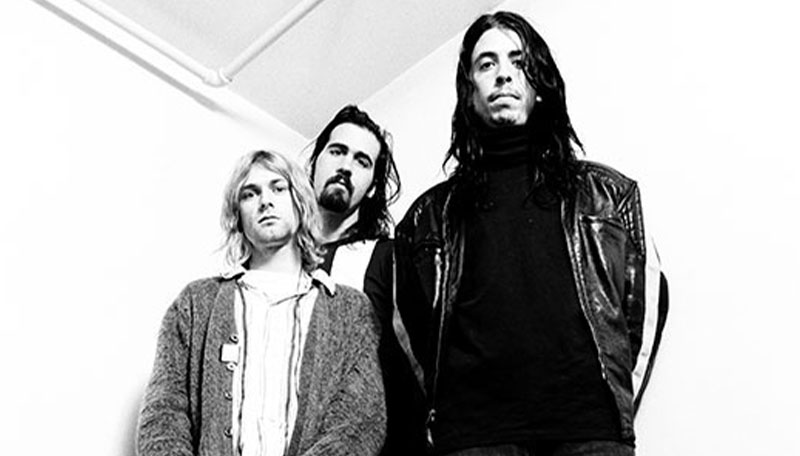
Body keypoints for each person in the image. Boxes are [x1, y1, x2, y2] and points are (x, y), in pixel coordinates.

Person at [382, 11, 669, 456]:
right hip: (473, 437)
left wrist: (615, 403)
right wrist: (446, 410)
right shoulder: (427, 217)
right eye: (487, 64)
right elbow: (413, 334)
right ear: (469, 91)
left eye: (518, 61)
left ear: (539, 84)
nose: (503, 74)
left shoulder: (610, 195)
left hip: (590, 431)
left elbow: (643, 310)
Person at [136, 150, 386, 456]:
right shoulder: (195, 303)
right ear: (238, 216)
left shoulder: (350, 310)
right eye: (249, 194)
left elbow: (361, 423)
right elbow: (163, 414)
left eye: (278, 188)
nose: (265, 201)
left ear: (300, 202)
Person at [308, 105, 400, 291]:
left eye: (362, 162)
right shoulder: (274, 251)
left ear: (372, 188)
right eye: (337, 152)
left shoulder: (389, 259)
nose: (346, 167)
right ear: (314, 164)